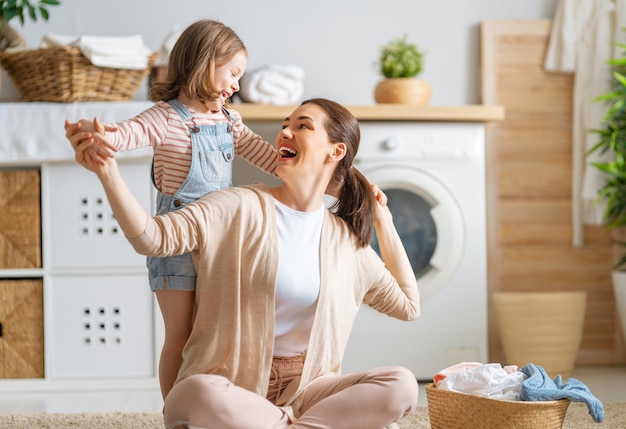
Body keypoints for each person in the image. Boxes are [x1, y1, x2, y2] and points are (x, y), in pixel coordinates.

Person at [66, 98, 420, 429]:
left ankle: (279, 422)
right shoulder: (237, 206)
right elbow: (151, 238)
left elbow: (408, 306)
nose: (286, 132)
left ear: (336, 151)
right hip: (229, 386)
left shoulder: (343, 242)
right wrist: (108, 172)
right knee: (193, 393)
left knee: (401, 384)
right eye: (285, 125)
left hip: (305, 390)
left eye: (303, 126)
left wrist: (383, 222)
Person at [66, 19, 277, 399]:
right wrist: (101, 133)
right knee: (180, 337)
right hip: (175, 246)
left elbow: (268, 157)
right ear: (204, 61)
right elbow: (127, 133)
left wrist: (317, 170)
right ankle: (175, 414)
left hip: (219, 243)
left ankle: (207, 408)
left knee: (211, 338)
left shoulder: (230, 120)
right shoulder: (166, 117)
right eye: (233, 73)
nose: (236, 85)